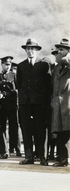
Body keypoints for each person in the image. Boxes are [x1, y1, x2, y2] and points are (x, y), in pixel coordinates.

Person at [17, 38, 51, 165]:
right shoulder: (21, 66)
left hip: (39, 104)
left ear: (37, 50)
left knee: (40, 130)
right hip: (25, 103)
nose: (30, 51)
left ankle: (42, 156)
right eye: (28, 49)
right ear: (25, 50)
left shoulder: (43, 65)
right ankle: (29, 156)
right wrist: (22, 100)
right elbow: (19, 84)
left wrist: (45, 103)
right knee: (26, 130)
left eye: (32, 49)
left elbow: (48, 85)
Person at [51, 38, 70, 167]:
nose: (59, 52)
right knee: (60, 133)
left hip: (68, 104)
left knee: (68, 132)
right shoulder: (57, 67)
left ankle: (65, 157)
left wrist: (66, 57)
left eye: (62, 49)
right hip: (57, 104)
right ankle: (62, 158)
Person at [0, 56, 21, 156]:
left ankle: (16, 148)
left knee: (14, 128)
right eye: (5, 64)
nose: (7, 67)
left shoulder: (14, 75)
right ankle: (3, 148)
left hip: (12, 106)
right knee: (2, 127)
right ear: (1, 65)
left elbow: (18, 89)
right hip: (2, 106)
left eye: (9, 65)